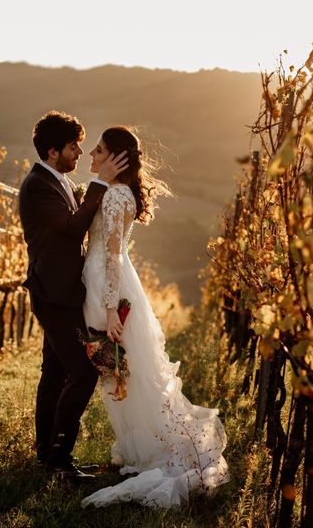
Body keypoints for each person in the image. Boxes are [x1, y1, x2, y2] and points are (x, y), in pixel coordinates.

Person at [79, 126, 229, 508]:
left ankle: (150, 449)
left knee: (120, 367)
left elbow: (112, 255)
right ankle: (139, 446)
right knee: (124, 370)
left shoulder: (114, 196)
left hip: (106, 286)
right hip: (111, 282)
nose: (91, 156)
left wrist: (111, 308)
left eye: (98, 150)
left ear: (116, 158)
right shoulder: (122, 192)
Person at [18, 111, 128, 482]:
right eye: (72, 146)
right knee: (81, 372)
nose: (79, 151)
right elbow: (71, 229)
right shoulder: (37, 186)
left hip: (63, 293)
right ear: (53, 151)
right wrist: (100, 182)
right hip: (53, 295)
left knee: (54, 371)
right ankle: (59, 456)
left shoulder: (58, 181)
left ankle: (46, 453)